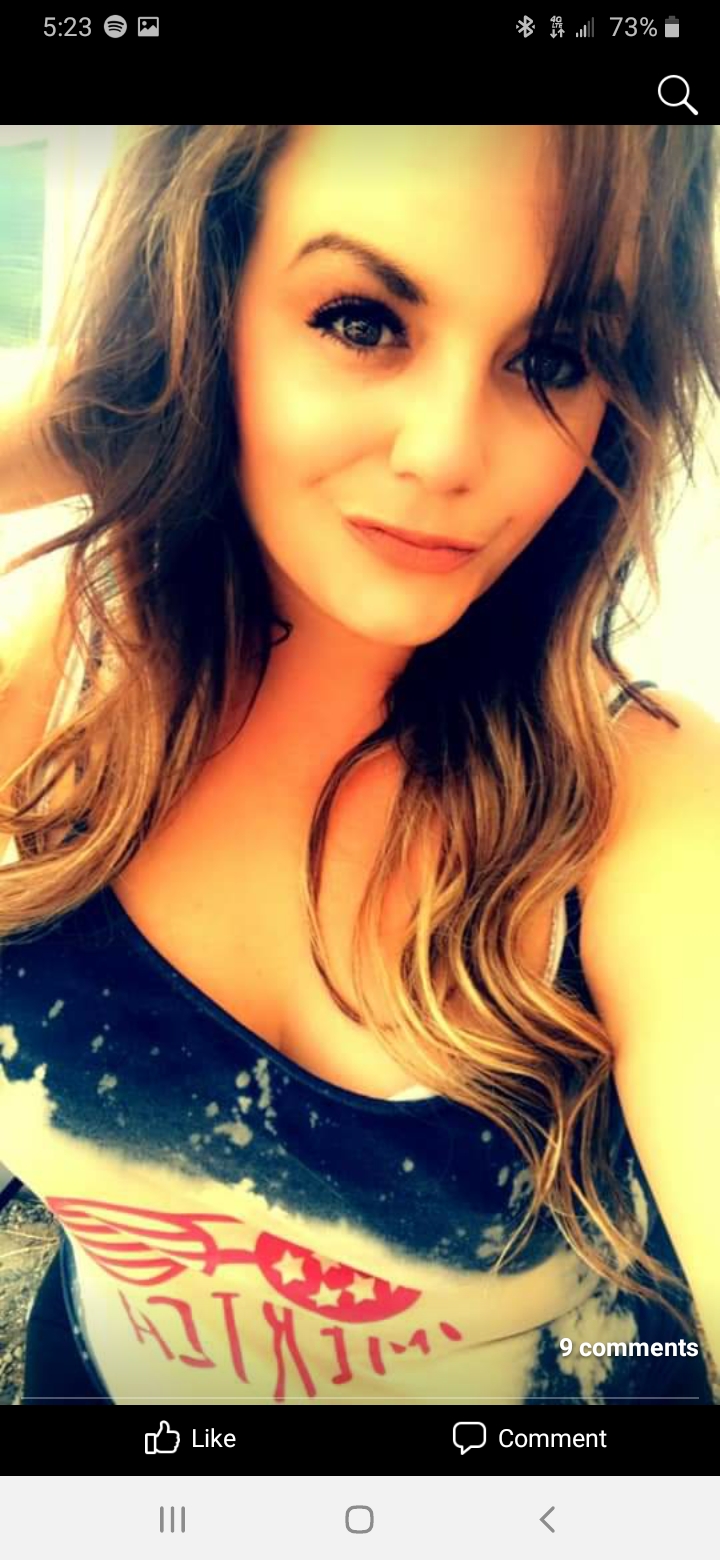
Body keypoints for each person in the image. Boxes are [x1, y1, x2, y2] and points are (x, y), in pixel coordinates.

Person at [0, 124, 718, 1407]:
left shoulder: (650, 804)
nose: (448, 453)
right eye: (359, 320)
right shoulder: (36, 692)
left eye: (552, 359)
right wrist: (96, 412)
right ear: (200, 308)